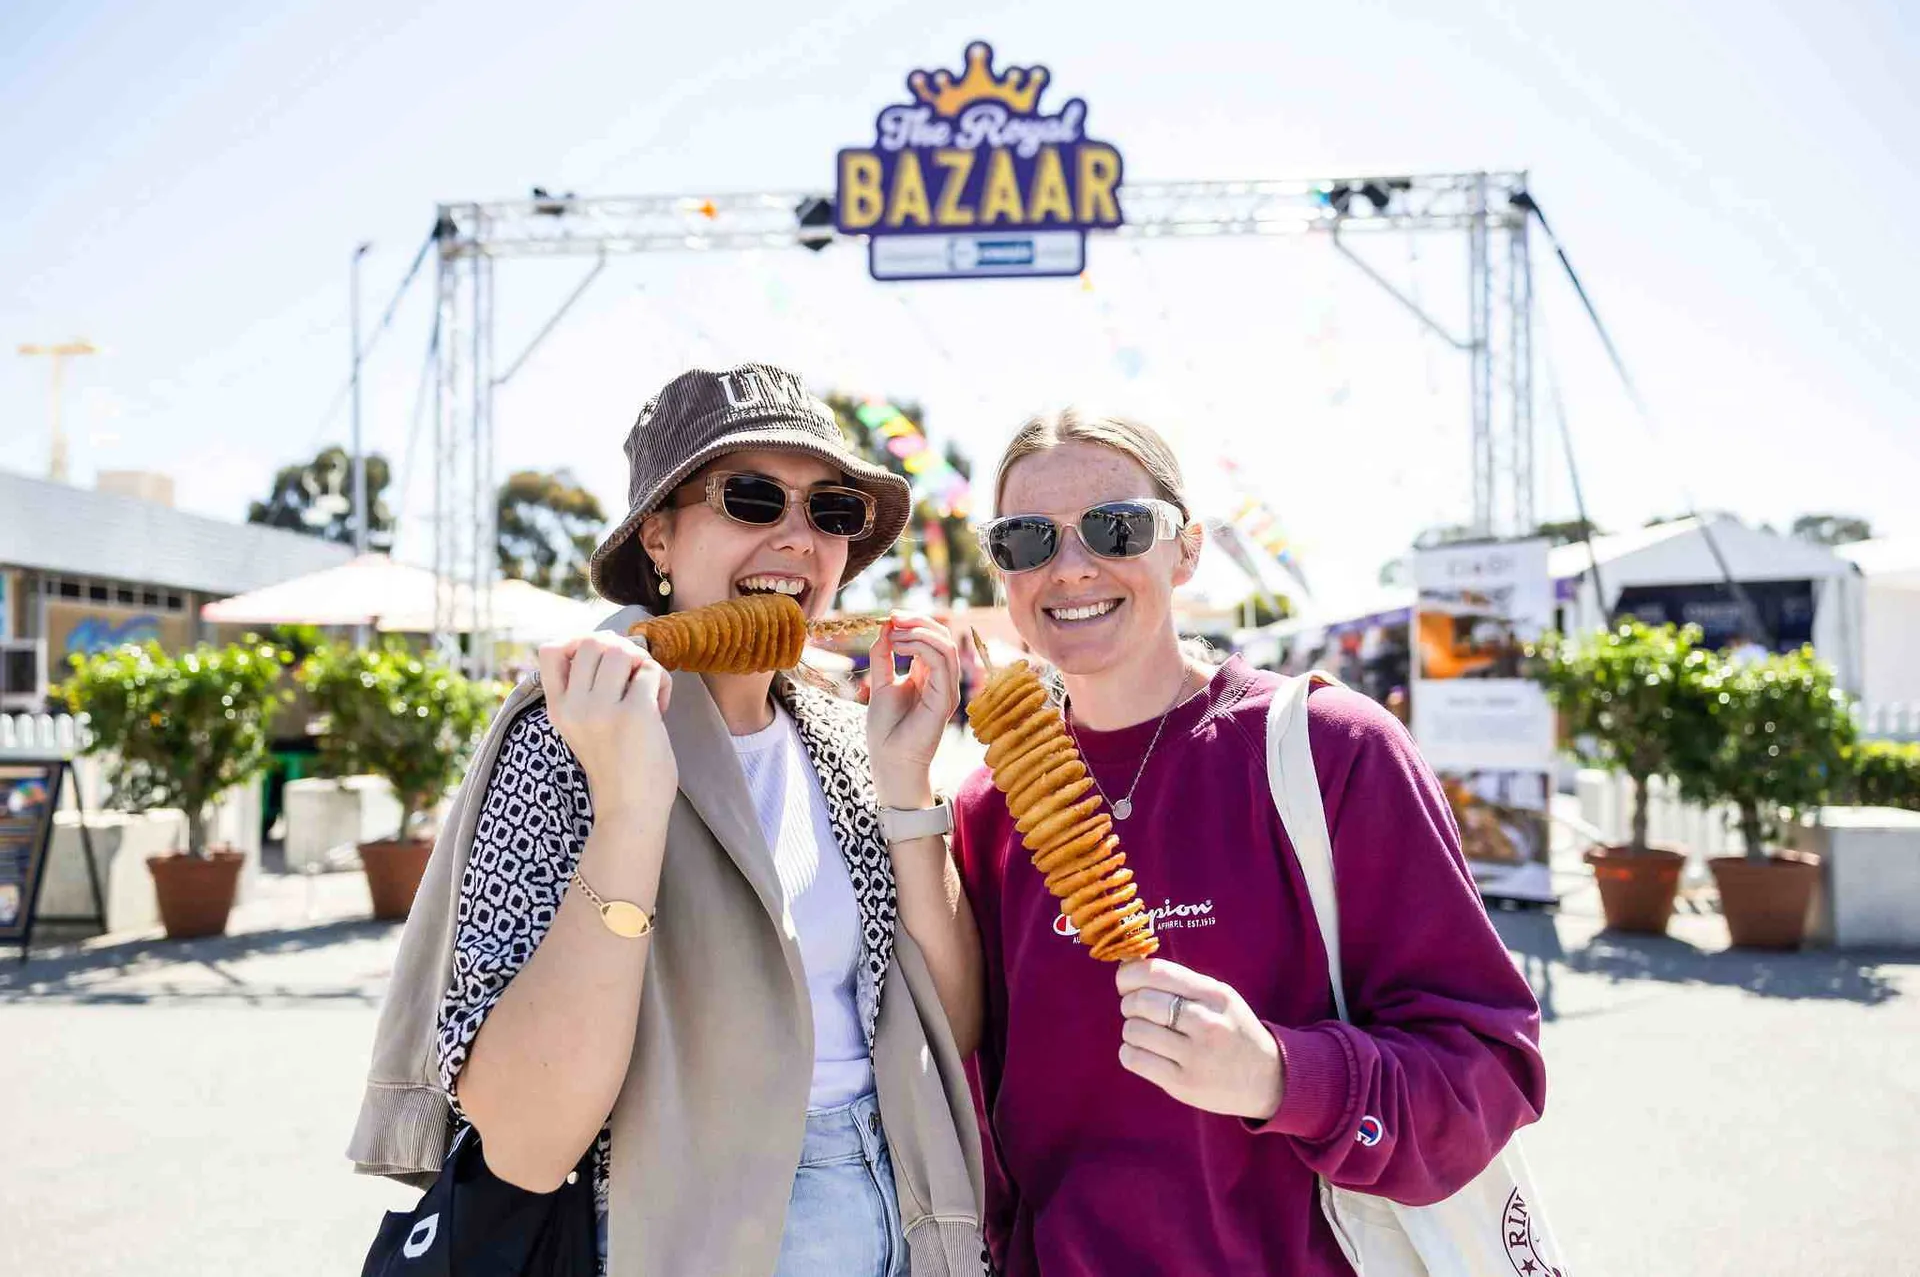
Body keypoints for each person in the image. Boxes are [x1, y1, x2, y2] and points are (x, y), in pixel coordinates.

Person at [350, 364, 988, 1277]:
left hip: (904, 1218)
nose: (798, 541)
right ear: (659, 535)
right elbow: (526, 1139)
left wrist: (907, 786)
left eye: (832, 512)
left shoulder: (854, 742)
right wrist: (629, 808)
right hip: (684, 1234)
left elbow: (946, 1032)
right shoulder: (563, 739)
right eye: (754, 498)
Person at [951, 407, 1547, 1276]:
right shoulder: (990, 808)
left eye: (1117, 528)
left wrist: (1280, 1075)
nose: (1070, 566)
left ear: (1185, 550)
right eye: (1026, 539)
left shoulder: (1331, 752)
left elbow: (1489, 1072)